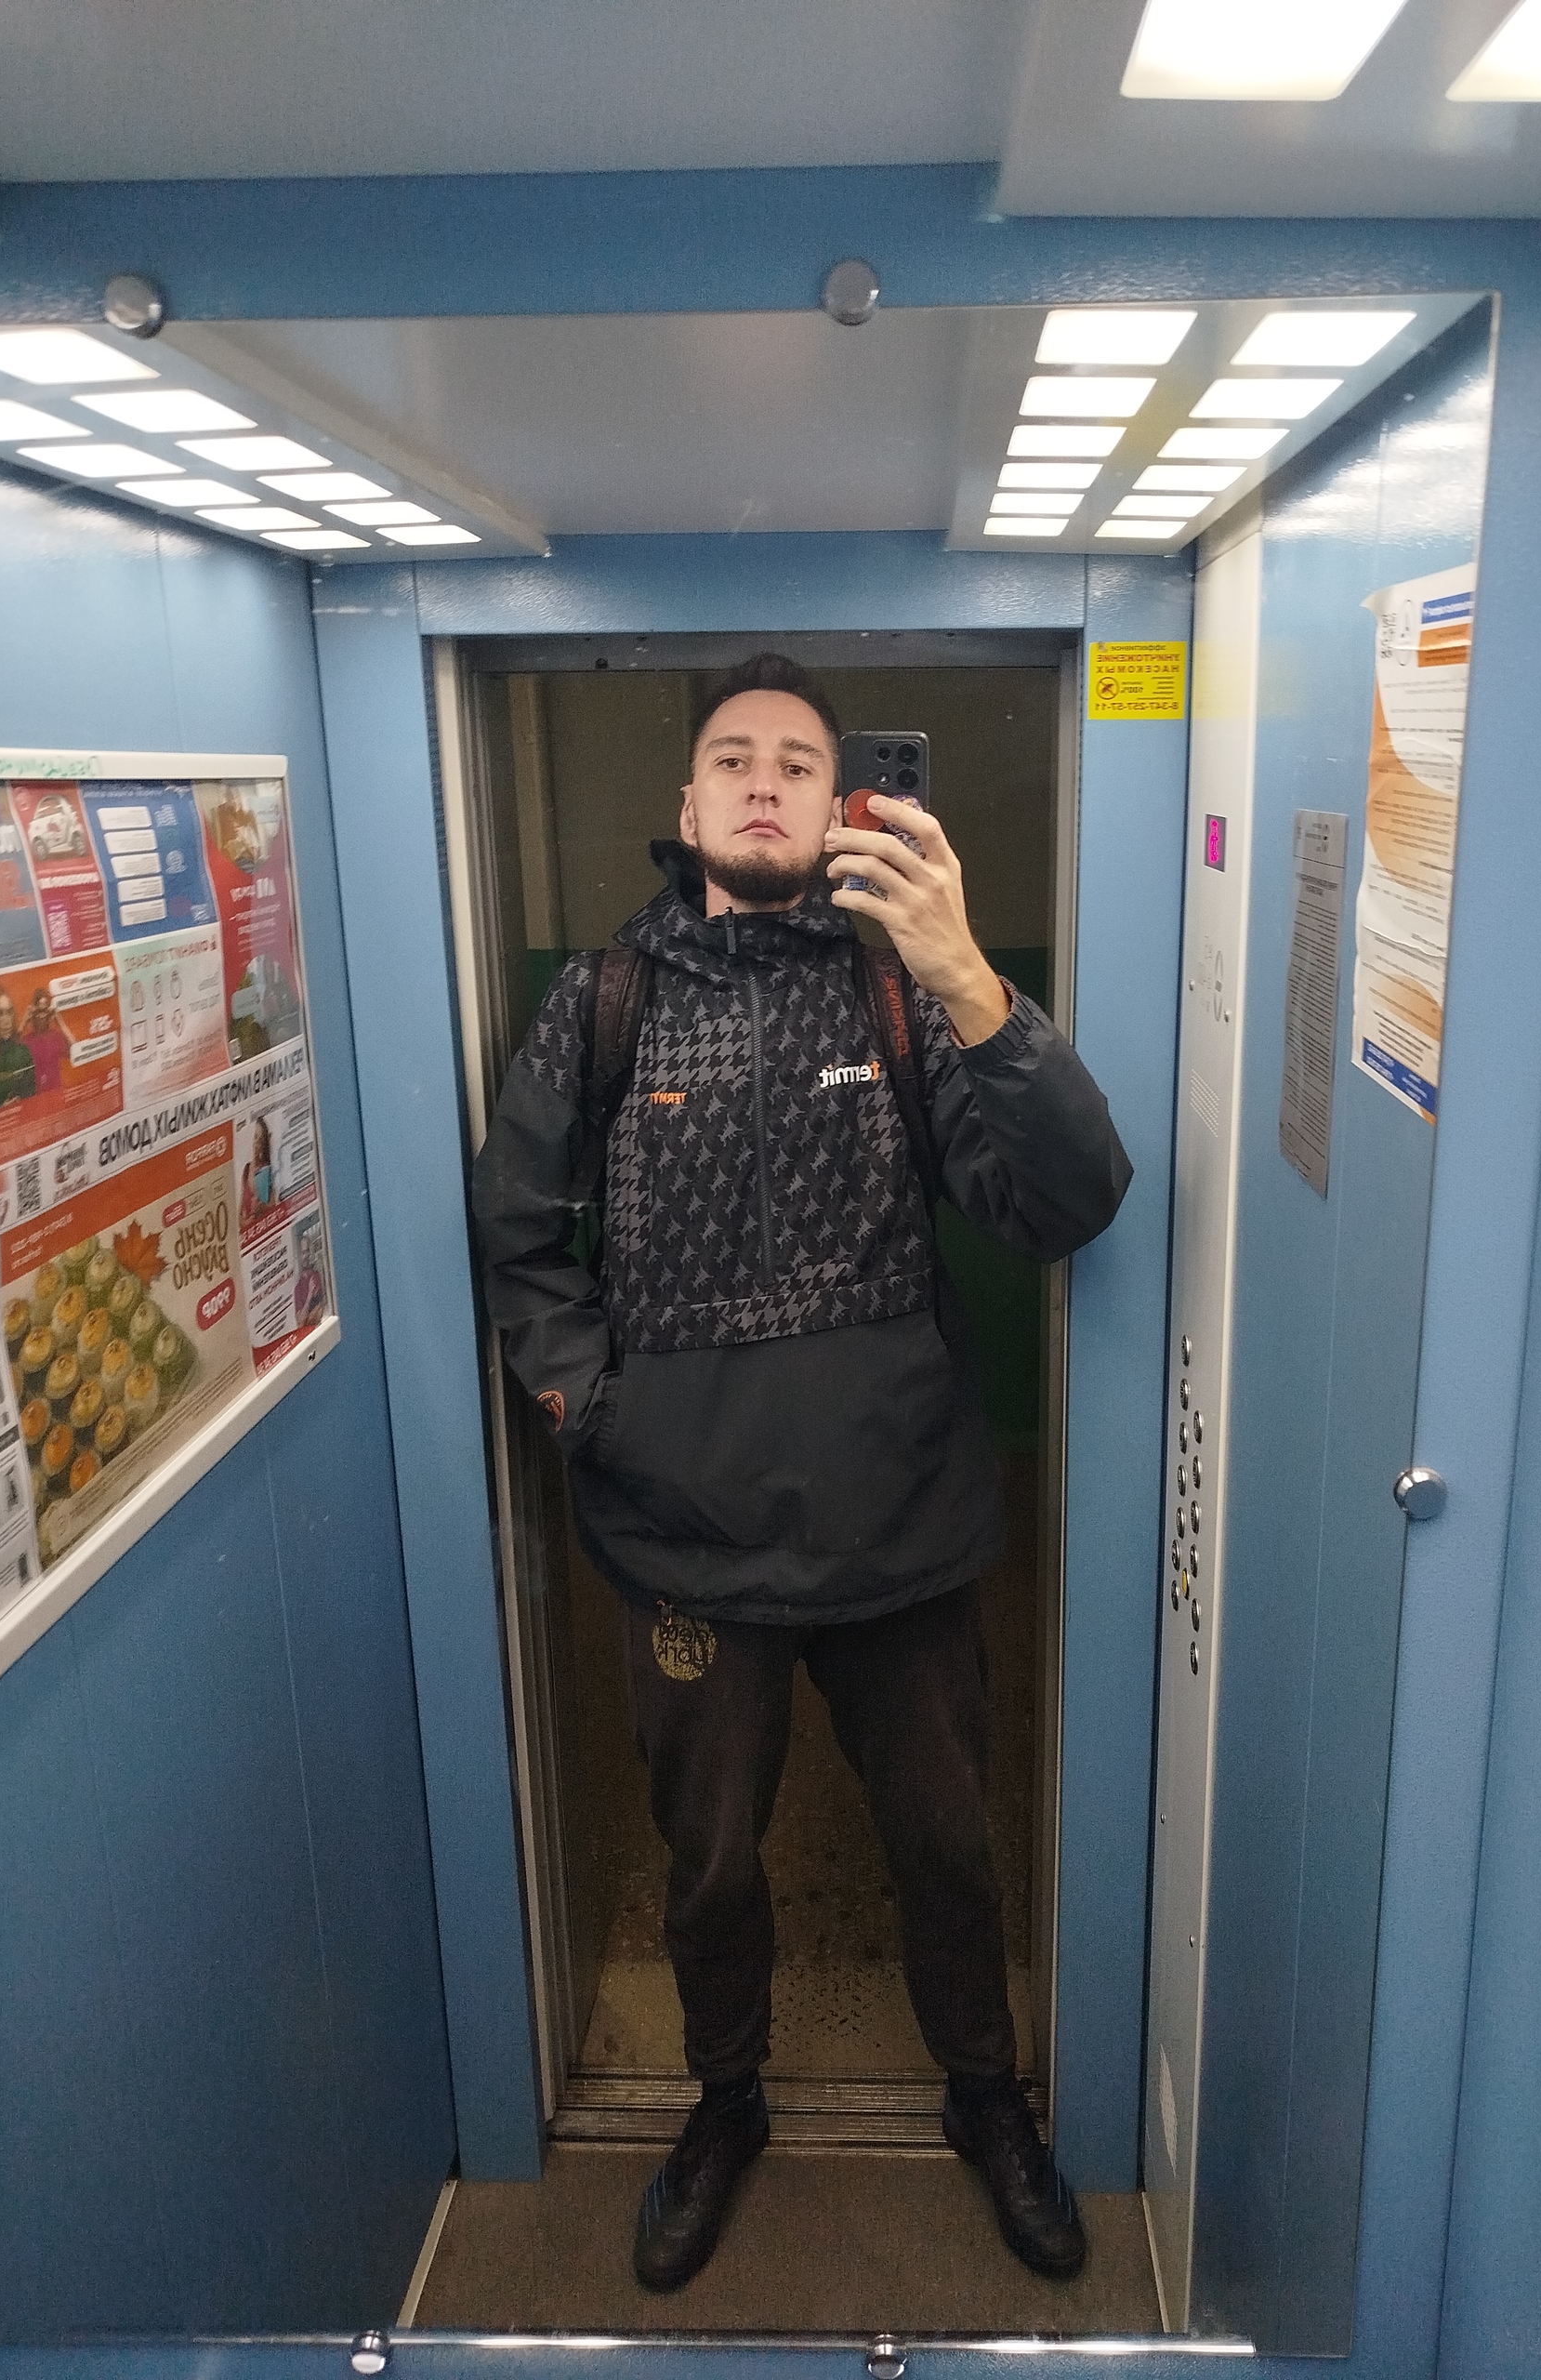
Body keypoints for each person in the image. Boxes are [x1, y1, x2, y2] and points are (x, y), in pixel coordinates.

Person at [473, 653, 1131, 2294]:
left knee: (949, 1846)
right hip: (682, 1542)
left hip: (901, 1535)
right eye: (732, 757)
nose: (762, 780)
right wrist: (592, 1411)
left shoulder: (905, 995)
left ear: (844, 805)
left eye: (797, 761)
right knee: (708, 1865)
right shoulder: (603, 1000)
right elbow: (517, 1233)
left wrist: (969, 974)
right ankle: (726, 2103)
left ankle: (985, 2094)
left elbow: (1070, 1201)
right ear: (686, 804)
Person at [0, 987, 35, 1108]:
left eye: (9, 1012)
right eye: (0, 1013)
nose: (6, 1020)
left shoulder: (23, 1051)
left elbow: (31, 1094)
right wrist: (0, 1109)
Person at [23, 986, 71, 1095]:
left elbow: (77, 1051)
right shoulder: (26, 1040)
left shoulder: (56, 1037)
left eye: (44, 1011)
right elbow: (10, 1055)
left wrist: (60, 1022)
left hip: (56, 1093)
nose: (41, 1016)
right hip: (35, 1095)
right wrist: (25, 1020)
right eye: (39, 1011)